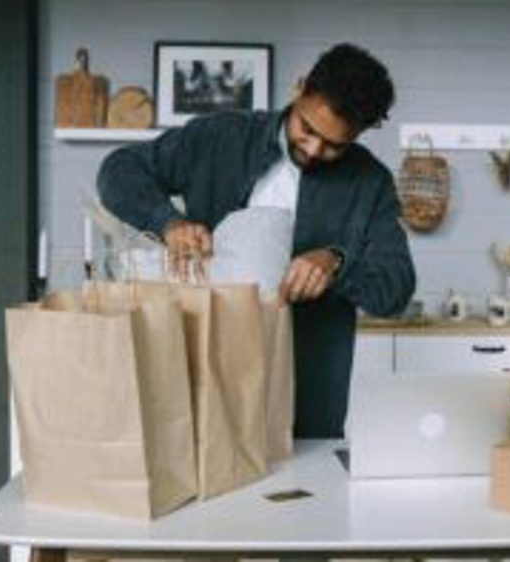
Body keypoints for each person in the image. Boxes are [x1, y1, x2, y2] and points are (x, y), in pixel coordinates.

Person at [97, 43, 416, 437]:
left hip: (309, 395)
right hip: (199, 373)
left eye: (335, 145)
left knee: (305, 492)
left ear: (361, 133)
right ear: (300, 89)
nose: (315, 150)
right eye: (308, 129)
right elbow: (118, 171)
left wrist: (337, 262)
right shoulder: (220, 136)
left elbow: (396, 286)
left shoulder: (371, 183)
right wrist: (169, 222)